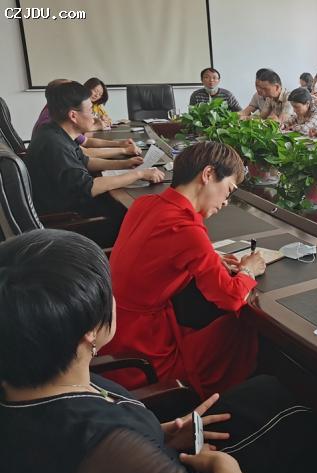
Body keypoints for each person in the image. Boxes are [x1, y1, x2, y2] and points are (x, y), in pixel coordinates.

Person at [0, 228, 317, 473]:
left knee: (267, 391)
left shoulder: (36, 381)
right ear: (89, 333)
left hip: (156, 446)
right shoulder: (110, 456)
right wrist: (225, 466)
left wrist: (161, 432)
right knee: (302, 426)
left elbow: (98, 418)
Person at [100, 141, 265, 398]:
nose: (225, 201)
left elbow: (160, 253)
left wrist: (209, 256)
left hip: (111, 331)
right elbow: (230, 297)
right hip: (141, 351)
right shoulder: (185, 228)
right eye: (228, 190)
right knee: (240, 325)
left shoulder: (145, 203)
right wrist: (248, 270)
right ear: (208, 174)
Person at [26, 82, 163, 226]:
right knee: (140, 213)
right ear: (73, 116)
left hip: (70, 206)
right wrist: (139, 174)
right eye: (91, 111)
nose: (94, 117)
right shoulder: (56, 145)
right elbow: (89, 187)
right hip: (71, 221)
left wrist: (125, 163)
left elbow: (86, 161)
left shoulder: (55, 132)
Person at [32, 78, 141, 159]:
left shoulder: (57, 113)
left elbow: (85, 142)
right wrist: (123, 150)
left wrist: (119, 144)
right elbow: (84, 153)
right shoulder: (52, 123)